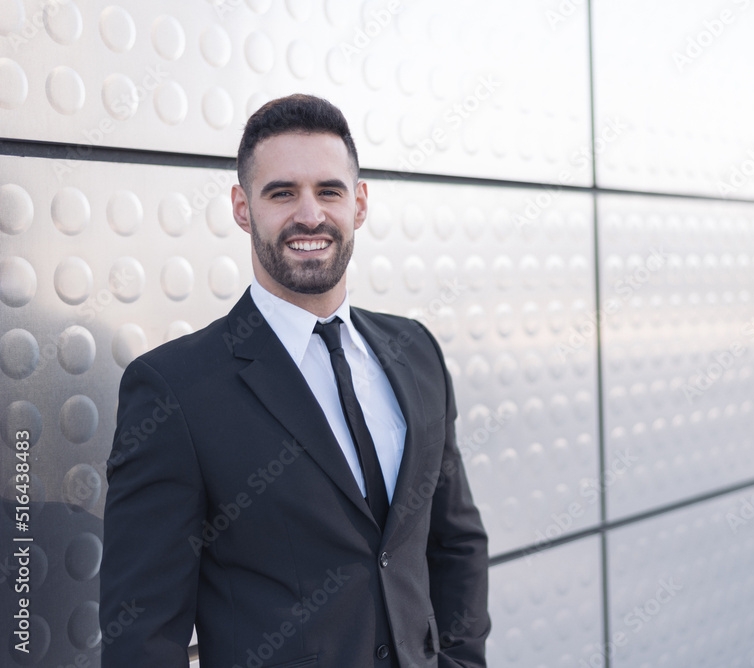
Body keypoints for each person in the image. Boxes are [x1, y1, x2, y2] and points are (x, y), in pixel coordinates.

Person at [100, 94, 490, 668]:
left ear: (358, 204)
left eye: (328, 191)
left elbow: (455, 543)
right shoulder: (172, 389)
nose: (310, 215)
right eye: (282, 192)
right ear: (242, 207)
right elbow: (142, 634)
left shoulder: (417, 352)